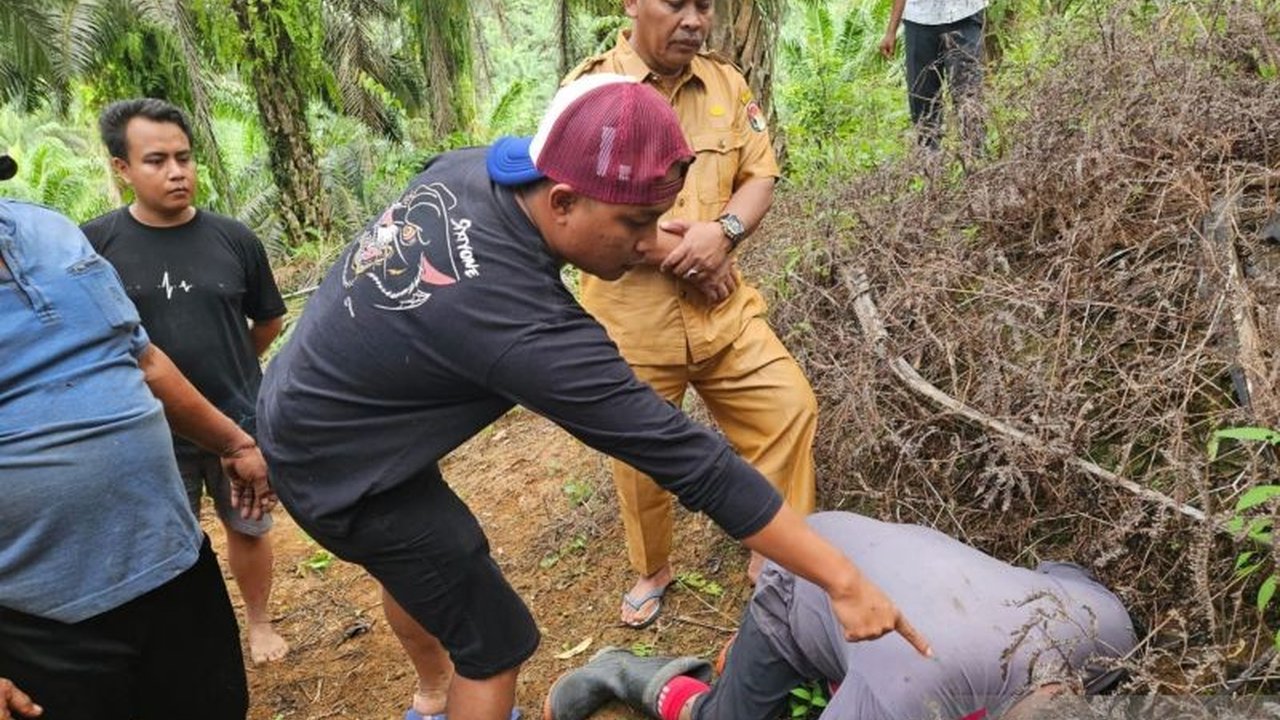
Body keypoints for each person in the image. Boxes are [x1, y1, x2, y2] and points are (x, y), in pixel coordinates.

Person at [256, 75, 932, 720]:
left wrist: (662, 235)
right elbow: (686, 457)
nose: (650, 244)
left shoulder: (472, 170)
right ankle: (455, 693)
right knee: (493, 643)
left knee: (431, 571)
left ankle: (433, 701)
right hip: (342, 471)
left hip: (315, 399)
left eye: (660, 219)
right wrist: (842, 579)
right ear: (562, 203)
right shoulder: (526, 329)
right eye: (636, 223)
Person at [565, 0, 819, 629]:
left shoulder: (727, 83)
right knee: (640, 456)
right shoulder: (590, 92)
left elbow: (760, 175)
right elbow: (573, 211)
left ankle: (776, 553)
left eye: (704, 5)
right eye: (676, 2)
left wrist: (724, 232)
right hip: (632, 318)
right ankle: (652, 567)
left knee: (788, 407)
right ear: (631, 4)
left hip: (721, 307)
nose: (694, 19)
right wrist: (688, 250)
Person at [0, 156, 276, 719]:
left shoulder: (50, 231)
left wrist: (234, 443)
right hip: (42, 619)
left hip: (174, 564)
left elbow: (142, 358)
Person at [545, 512, 1139, 720]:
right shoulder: (914, 697)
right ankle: (621, 669)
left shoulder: (1107, 629)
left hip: (888, 552)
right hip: (806, 572)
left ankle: (823, 671)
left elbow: (1057, 567)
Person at [81, 98, 290, 664]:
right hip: (145, 427)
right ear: (122, 169)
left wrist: (233, 370)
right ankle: (186, 642)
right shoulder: (93, 246)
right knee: (164, 540)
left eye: (184, 157)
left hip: (236, 423)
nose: (177, 171)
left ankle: (260, 623)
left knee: (248, 525)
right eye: (156, 160)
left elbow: (268, 318)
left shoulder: (233, 239)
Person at [880, 0, 988, 151]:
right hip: (919, 20)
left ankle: (976, 161)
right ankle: (929, 164)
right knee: (922, 100)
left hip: (964, 16)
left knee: (968, 97)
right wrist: (891, 31)